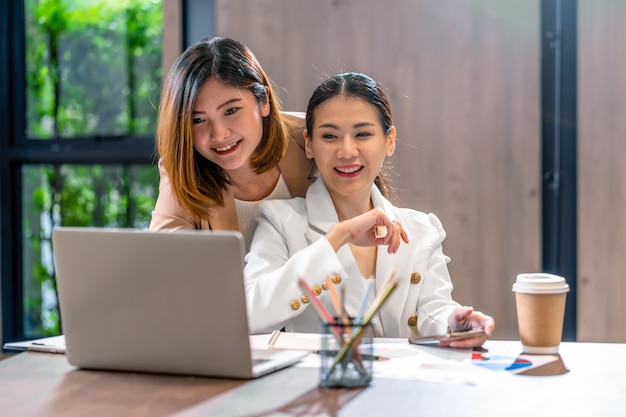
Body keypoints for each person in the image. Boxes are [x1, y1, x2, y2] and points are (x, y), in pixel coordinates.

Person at [244, 72, 494, 347]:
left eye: (362, 134)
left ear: (389, 141)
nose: (347, 151)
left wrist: (453, 321)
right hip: (320, 385)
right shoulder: (280, 221)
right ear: (309, 144)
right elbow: (250, 314)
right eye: (330, 136)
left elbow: (433, 307)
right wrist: (339, 236)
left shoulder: (422, 229)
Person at [149, 37, 317, 249]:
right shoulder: (182, 170)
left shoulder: (314, 137)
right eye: (198, 120)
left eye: (231, 111)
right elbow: (164, 260)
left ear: (263, 101)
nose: (219, 134)